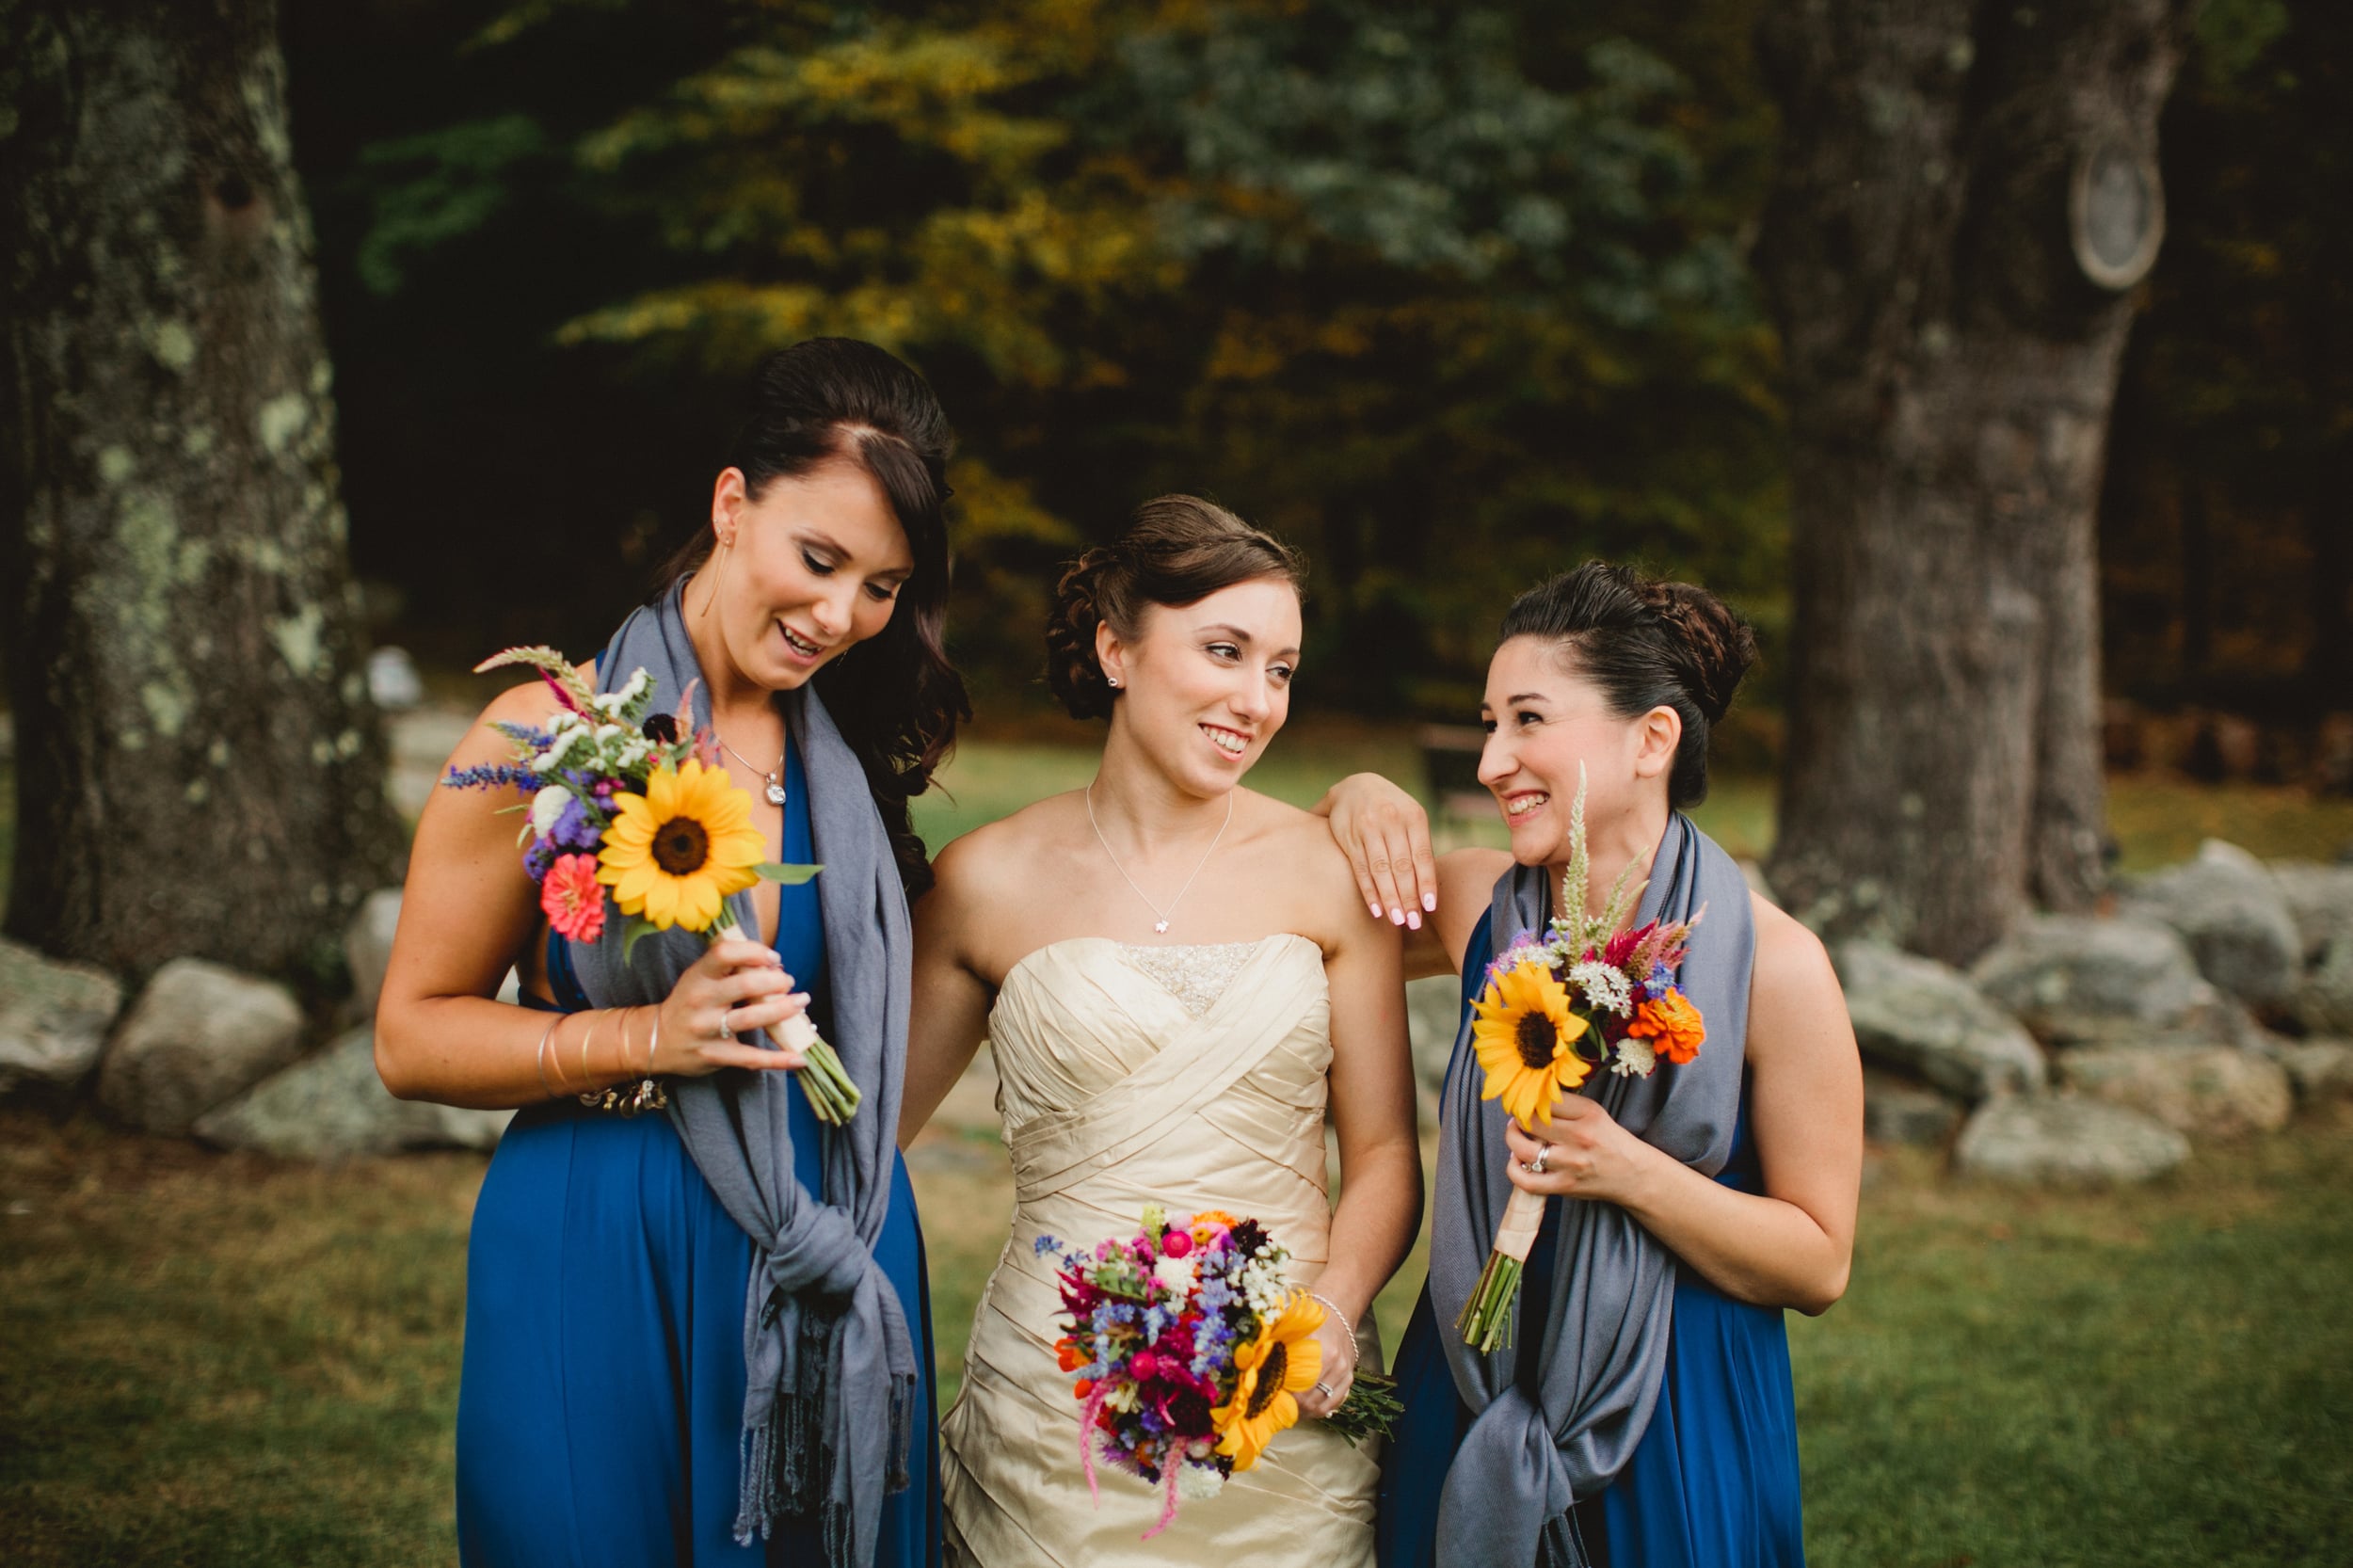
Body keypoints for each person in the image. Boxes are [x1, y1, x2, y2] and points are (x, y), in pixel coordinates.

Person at [376, 338, 967, 1568]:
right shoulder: (544, 734)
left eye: (882, 585)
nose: (839, 615)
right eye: (819, 559)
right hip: (599, 1234)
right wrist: (644, 1036)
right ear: (730, 502)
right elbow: (413, 1029)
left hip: (831, 1231)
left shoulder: (845, 766)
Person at [898, 497, 1424, 1566]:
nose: (1255, 698)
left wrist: (1330, 1310)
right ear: (1115, 648)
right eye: (1224, 652)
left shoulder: (1331, 872)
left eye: (1279, 668)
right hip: (1060, 1418)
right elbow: (859, 1144)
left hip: (1285, 1414)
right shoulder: (984, 880)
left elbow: (1382, 1155)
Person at [1321, 563, 1861, 1568]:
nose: (1491, 760)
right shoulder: (1483, 899)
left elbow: (1820, 1260)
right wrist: (1353, 797)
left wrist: (1629, 1171)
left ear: (1651, 738)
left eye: (1527, 720)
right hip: (1470, 1372)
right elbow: (1292, 915)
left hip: (1676, 1400)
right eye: (1488, 723)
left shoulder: (1778, 968)